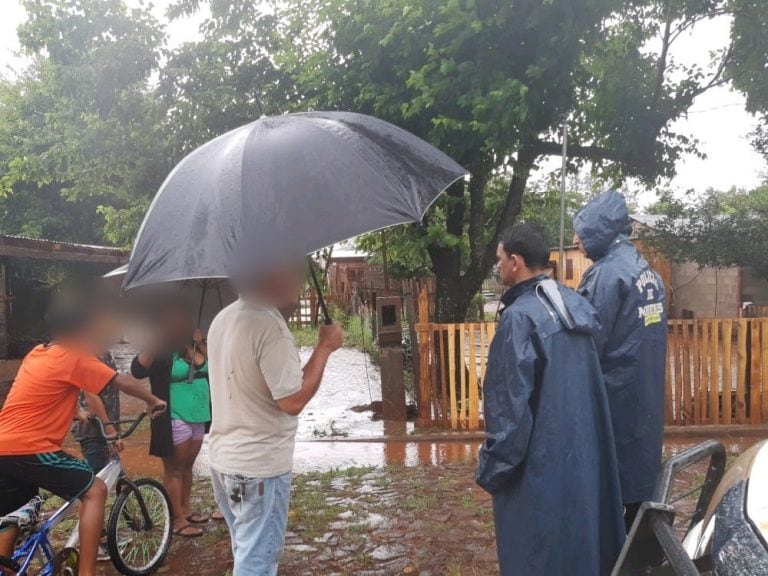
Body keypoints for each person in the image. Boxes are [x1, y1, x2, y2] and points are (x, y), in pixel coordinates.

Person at [476, 223, 625, 576]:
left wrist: (492, 469)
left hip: (538, 470)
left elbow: (509, 411)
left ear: (516, 261)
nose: (497, 267)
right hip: (583, 458)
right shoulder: (573, 306)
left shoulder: (519, 318)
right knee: (579, 546)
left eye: (499, 259)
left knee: (537, 554)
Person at [0, 286, 166, 576]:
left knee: (17, 511)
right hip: (32, 448)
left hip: (3, 447)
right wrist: (152, 400)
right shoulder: (74, 355)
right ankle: (87, 572)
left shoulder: (38, 354)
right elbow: (121, 382)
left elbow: (39, 392)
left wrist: (75, 411)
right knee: (95, 491)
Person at [207, 263, 343, 576]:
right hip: (259, 472)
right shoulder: (269, 327)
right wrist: (324, 347)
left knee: (246, 546)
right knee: (257, 562)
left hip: (227, 466)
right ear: (273, 274)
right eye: (295, 271)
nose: (300, 279)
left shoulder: (224, 318)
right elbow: (292, 400)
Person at [573, 190, 668, 531]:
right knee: (641, 468)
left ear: (600, 229)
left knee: (613, 478)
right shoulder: (646, 271)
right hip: (645, 391)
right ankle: (644, 541)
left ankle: (617, 553)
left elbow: (587, 341)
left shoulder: (606, 275)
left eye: (582, 232)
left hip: (615, 394)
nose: (575, 240)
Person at [131, 304, 213, 538]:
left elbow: (214, 364)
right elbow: (137, 370)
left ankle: (186, 510)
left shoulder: (195, 343)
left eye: (182, 320)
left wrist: (198, 342)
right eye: (173, 320)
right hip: (173, 415)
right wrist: (158, 338)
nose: (179, 324)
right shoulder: (161, 348)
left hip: (198, 413)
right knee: (174, 468)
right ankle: (176, 519)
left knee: (188, 465)